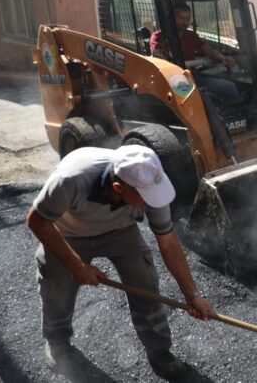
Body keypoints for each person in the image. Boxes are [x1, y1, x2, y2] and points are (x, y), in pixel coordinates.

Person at [26, 145, 213, 380]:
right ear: (118, 188)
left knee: (144, 281)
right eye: (144, 199)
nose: (152, 203)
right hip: (67, 233)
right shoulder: (71, 179)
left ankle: (160, 352)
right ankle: (57, 342)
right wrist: (77, 266)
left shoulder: (151, 187)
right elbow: (37, 221)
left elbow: (168, 243)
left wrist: (192, 295)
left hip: (119, 231)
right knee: (57, 284)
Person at [150, 2, 239, 104]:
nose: (185, 22)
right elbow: (158, 57)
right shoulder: (158, 37)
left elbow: (210, 51)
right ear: (172, 18)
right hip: (172, 81)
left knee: (229, 87)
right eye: (181, 18)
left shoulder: (192, 36)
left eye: (187, 19)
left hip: (193, 78)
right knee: (194, 99)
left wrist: (223, 58)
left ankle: (235, 118)